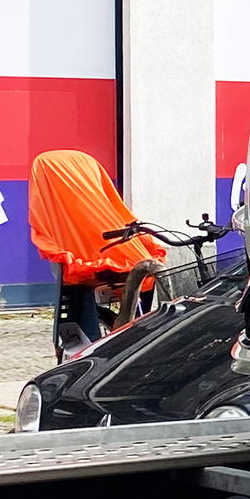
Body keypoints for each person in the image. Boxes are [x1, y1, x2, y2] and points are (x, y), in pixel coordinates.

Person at [27, 150, 166, 351]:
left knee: (77, 287)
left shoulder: (62, 210)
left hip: (89, 263)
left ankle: (90, 348)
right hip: (125, 258)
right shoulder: (93, 204)